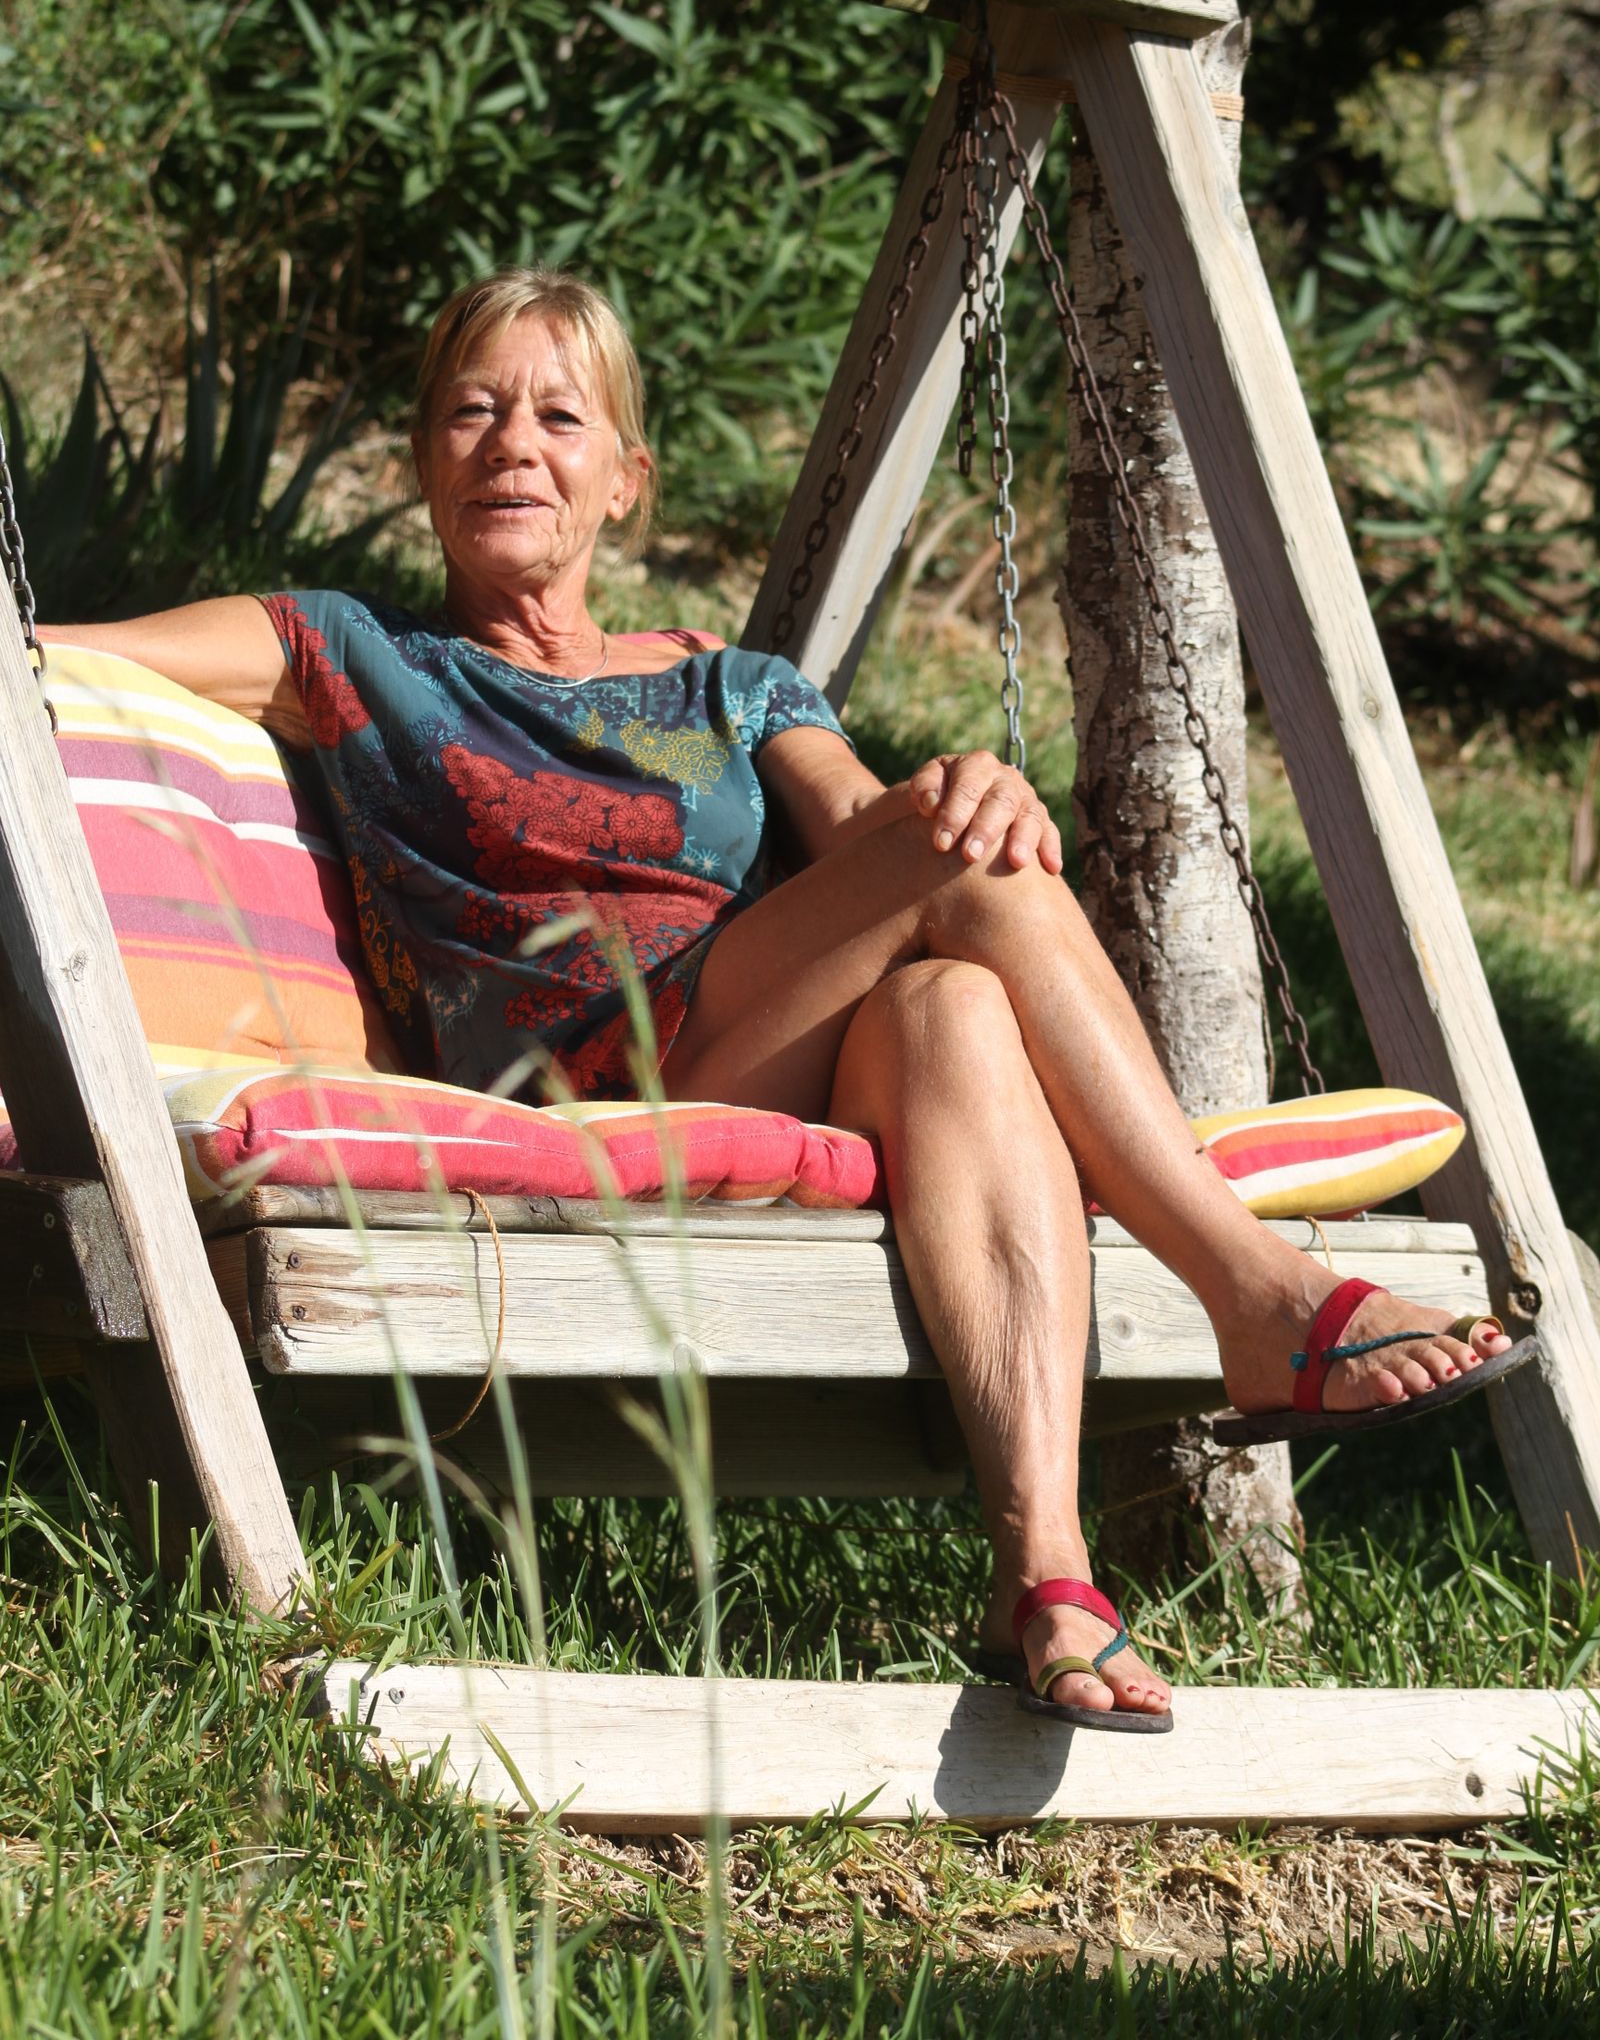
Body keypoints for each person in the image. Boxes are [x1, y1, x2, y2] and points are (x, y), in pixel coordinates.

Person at [44, 267, 1521, 1734]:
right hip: (570, 1078)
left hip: (748, 1039)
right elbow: (46, 660)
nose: (513, 443)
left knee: (951, 990)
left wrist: (967, 790)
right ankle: (1254, 1291)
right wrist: (952, 833)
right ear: (424, 457)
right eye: (472, 411)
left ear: (627, 480)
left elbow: (870, 825)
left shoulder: (736, 686)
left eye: (560, 416)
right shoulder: (345, 652)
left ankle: (1046, 1578)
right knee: (967, 894)